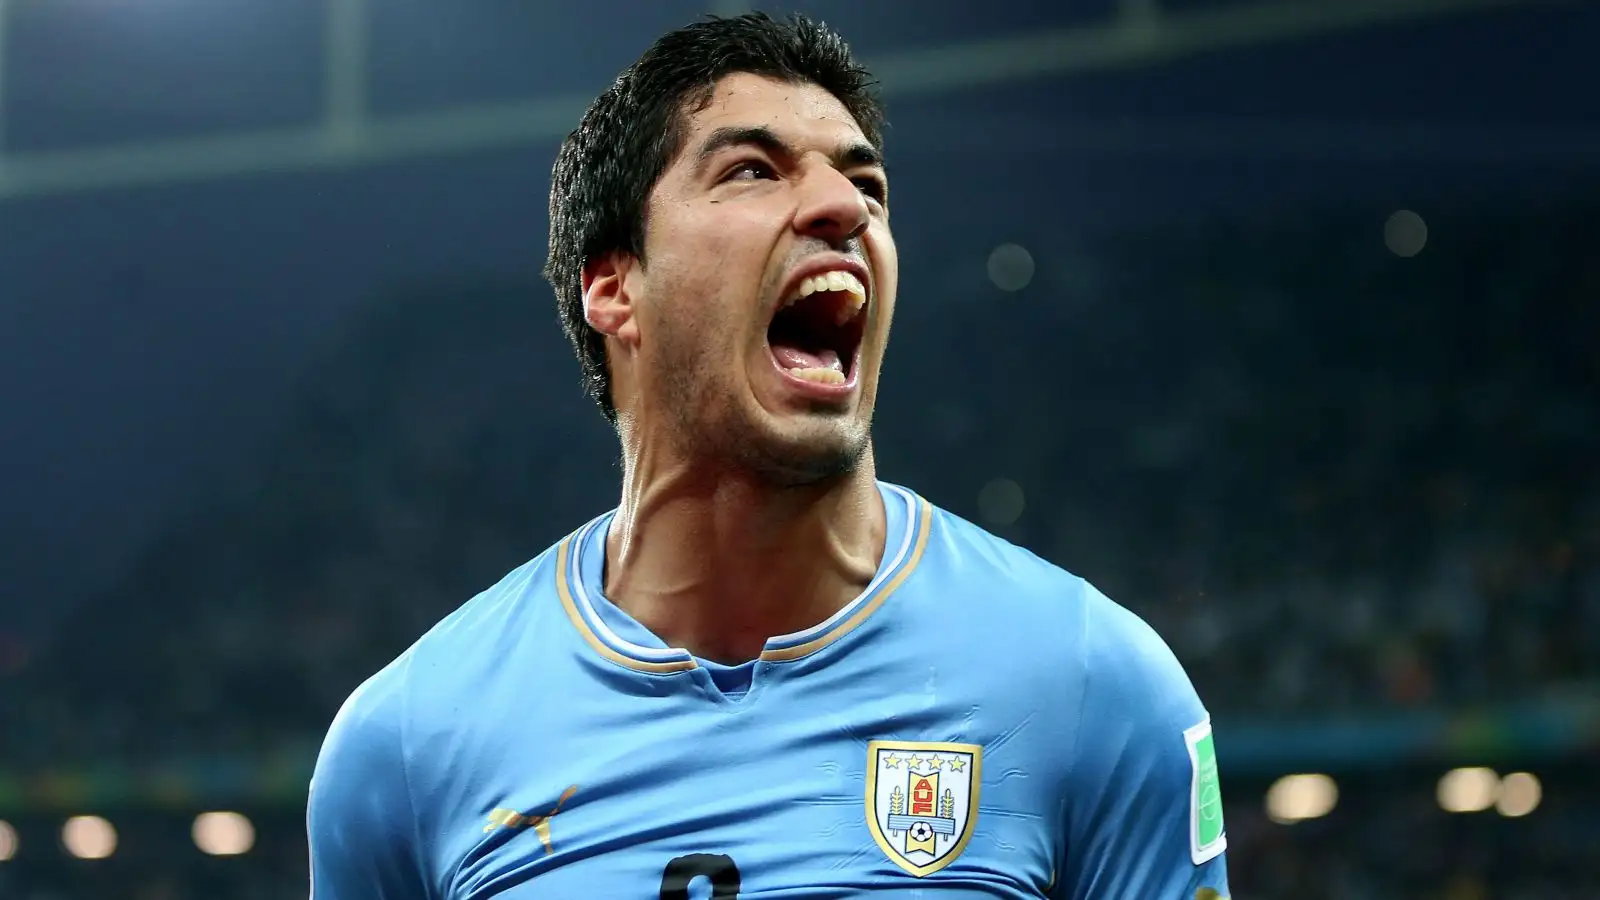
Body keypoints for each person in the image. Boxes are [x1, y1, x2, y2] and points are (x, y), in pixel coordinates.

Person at [307, 12, 1231, 899]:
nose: (842, 208)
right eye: (753, 171)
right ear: (613, 287)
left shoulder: (1091, 684)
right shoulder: (407, 747)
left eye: (867, 187)